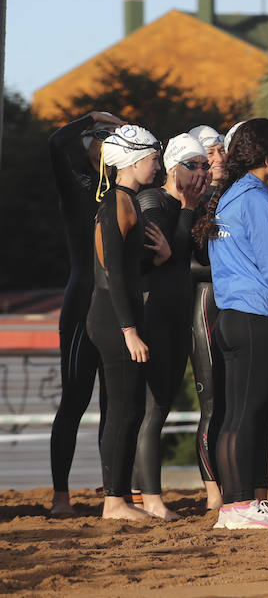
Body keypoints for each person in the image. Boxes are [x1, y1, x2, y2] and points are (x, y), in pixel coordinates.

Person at [200, 118, 268, 529]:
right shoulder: (260, 201)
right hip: (256, 318)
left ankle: (234, 507)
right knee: (249, 414)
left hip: (228, 317)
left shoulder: (229, 196)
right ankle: (242, 505)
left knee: (235, 415)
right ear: (267, 158)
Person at [47, 109, 125, 517]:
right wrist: (93, 116)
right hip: (82, 299)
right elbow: (56, 143)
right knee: (75, 400)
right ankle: (61, 496)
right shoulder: (78, 186)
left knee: (116, 404)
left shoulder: (128, 193)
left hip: (117, 304)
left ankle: (114, 492)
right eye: (105, 139)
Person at [130, 133, 209, 520]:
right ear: (173, 167)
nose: (201, 172)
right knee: (153, 409)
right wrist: (189, 210)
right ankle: (151, 499)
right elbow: (169, 256)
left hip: (179, 315)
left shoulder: (186, 207)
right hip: (155, 314)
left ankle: (145, 495)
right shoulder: (152, 201)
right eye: (192, 165)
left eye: (205, 165)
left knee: (161, 408)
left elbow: (180, 256)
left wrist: (190, 214)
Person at [86, 125, 163, 521]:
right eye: (153, 158)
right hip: (114, 320)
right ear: (133, 160)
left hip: (119, 316)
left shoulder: (126, 200)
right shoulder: (117, 202)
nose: (158, 166)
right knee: (123, 409)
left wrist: (159, 258)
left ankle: (121, 499)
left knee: (130, 408)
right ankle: (114, 502)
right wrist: (128, 330)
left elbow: (130, 268)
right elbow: (113, 270)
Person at [187, 123, 227, 510]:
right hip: (203, 303)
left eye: (220, 151)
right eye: (209, 154)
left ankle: (235, 482)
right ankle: (213, 490)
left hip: (229, 303)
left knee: (234, 401)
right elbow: (185, 265)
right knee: (212, 403)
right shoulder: (190, 202)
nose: (217, 159)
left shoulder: (227, 195)